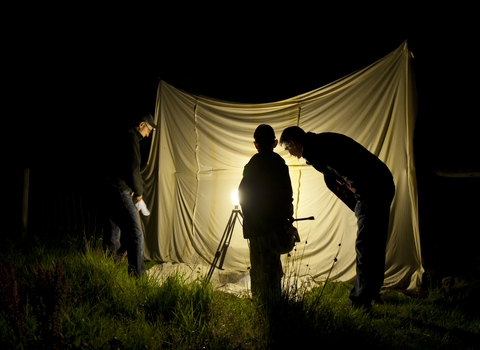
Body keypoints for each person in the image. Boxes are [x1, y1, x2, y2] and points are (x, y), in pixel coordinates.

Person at [279, 126, 395, 309]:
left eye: (288, 149)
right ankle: (372, 292)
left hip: (372, 190)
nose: (290, 154)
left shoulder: (320, 149)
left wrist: (362, 200)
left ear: (293, 143)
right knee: (375, 243)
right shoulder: (319, 145)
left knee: (366, 246)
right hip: (381, 184)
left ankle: (360, 302)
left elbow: (351, 172)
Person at [238, 124, 293, 300]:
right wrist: (285, 219)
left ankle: (259, 302)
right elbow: (287, 195)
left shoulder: (252, 164)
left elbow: (242, 193)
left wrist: (250, 219)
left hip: (255, 226)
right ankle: (273, 302)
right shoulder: (279, 164)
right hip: (274, 226)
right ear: (275, 143)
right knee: (272, 266)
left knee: (257, 265)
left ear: (256, 144)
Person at [103, 113, 156, 277]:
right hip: (119, 189)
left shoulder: (122, 135)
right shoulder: (131, 138)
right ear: (141, 125)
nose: (148, 135)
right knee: (135, 232)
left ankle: (109, 269)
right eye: (148, 130)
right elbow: (133, 167)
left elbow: (121, 165)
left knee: (114, 230)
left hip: (110, 187)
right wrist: (138, 192)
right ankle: (137, 275)